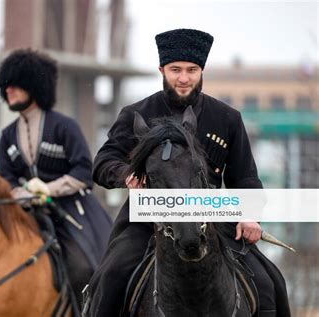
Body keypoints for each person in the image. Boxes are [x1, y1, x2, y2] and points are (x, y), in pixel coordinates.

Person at [86, 29, 290, 317]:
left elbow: (245, 178)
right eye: (175, 70)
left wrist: (250, 213)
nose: (184, 78)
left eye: (192, 70)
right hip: (146, 221)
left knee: (270, 281)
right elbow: (104, 161)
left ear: (201, 71)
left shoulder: (227, 118)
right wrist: (126, 175)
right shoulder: (136, 113)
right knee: (111, 276)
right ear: (162, 70)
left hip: (214, 220)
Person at [0, 49, 112, 309]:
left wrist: (47, 188)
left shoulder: (65, 126)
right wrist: (21, 193)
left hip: (71, 211)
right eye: (6, 85)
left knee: (83, 267)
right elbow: (5, 177)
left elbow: (84, 171)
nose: (9, 90)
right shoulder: (6, 135)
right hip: (25, 213)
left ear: (34, 86)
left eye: (16, 84)